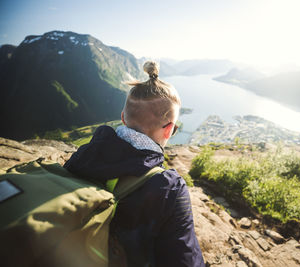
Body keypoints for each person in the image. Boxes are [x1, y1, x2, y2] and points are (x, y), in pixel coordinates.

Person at [64, 61, 205, 267]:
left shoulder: (84, 155)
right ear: (169, 130)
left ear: (123, 118)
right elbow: (185, 260)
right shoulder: (169, 187)